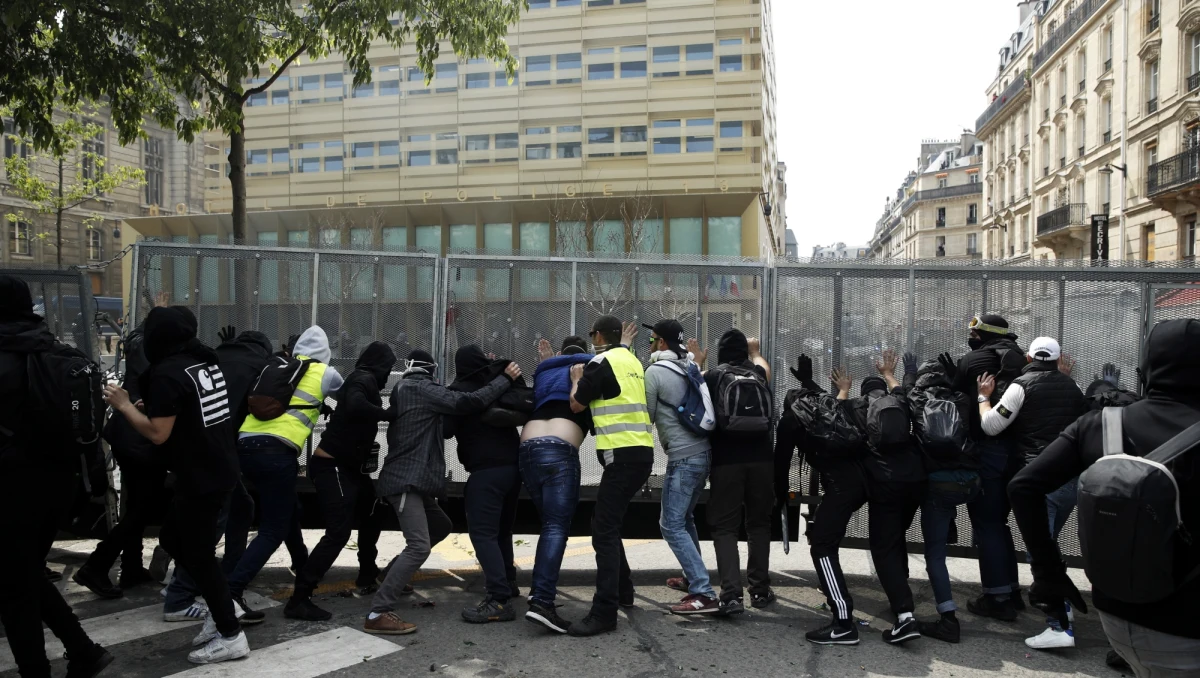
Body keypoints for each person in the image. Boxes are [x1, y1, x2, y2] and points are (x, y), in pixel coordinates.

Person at [1010, 318, 1200, 676]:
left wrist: (1048, 571)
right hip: (1187, 623)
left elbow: (1023, 487)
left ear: (1146, 368)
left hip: (1115, 611)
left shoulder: (1101, 424)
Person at [102, 305, 249, 664]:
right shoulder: (203, 362)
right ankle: (222, 606)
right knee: (172, 539)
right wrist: (146, 405)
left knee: (198, 556)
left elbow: (157, 432)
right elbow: (187, 412)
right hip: (212, 468)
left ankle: (230, 633)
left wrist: (124, 405)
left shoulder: (168, 371)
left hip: (203, 476)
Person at [0, 276, 114, 677]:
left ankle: (37, 670)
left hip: (9, 491)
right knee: (23, 572)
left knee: (13, 588)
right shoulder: (58, 351)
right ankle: (84, 650)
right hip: (58, 488)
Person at [366, 349, 519, 635]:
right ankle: (378, 611)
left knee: (441, 525)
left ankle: (389, 577)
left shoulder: (409, 389)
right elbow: (468, 401)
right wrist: (503, 379)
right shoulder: (417, 387)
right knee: (419, 546)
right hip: (405, 480)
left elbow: (449, 424)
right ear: (431, 371)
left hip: (417, 480)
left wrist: (485, 372)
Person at [224, 326, 342, 619]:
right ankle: (231, 592)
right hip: (277, 453)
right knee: (272, 530)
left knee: (288, 512)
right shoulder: (326, 373)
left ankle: (304, 573)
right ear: (325, 352)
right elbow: (352, 398)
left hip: (245, 446)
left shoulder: (273, 367)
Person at [160, 328, 276, 623]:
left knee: (240, 509)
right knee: (212, 524)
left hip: (193, 448)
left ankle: (218, 578)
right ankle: (181, 595)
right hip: (217, 454)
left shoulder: (215, 356)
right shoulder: (260, 367)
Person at [977, 336, 1085, 649]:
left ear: (1028, 357)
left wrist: (984, 398)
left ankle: (1059, 625)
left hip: (1039, 479)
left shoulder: (1021, 385)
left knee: (1040, 551)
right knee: (1047, 546)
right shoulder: (1071, 386)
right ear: (1059, 358)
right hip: (1070, 480)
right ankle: (1062, 607)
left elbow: (992, 426)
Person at [285, 341, 396, 621]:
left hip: (351, 469)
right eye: (389, 367)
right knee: (338, 532)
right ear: (380, 365)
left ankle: (367, 573)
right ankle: (300, 597)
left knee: (374, 510)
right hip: (331, 465)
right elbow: (357, 403)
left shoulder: (364, 378)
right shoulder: (362, 378)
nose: (388, 374)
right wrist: (387, 414)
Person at [566, 316, 654, 636]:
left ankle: (604, 612)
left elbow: (577, 404)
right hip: (641, 453)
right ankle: (624, 591)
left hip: (622, 456)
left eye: (593, 334)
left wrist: (577, 378)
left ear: (599, 336)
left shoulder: (598, 361)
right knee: (609, 523)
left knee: (602, 529)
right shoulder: (631, 361)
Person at [940, 313, 1026, 619]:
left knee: (986, 523)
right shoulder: (1021, 357)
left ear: (983, 334)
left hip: (988, 451)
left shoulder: (974, 359)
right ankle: (1012, 590)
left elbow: (954, 393)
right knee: (999, 523)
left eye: (974, 333)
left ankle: (998, 599)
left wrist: (954, 375)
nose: (971, 337)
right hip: (1017, 454)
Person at [73, 322, 163, 599]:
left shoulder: (138, 346)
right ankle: (97, 565)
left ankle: (131, 566)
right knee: (141, 510)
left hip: (127, 437)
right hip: (141, 439)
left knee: (136, 506)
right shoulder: (155, 360)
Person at [644, 319, 719, 615]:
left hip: (684, 458)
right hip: (703, 454)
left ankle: (703, 591)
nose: (649, 344)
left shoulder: (655, 372)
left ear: (661, 343)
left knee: (670, 524)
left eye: (651, 339)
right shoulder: (687, 366)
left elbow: (647, 415)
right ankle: (692, 579)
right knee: (685, 520)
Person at [447, 345, 526, 624]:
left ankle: (498, 599)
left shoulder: (460, 391)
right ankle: (509, 582)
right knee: (503, 531)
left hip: (486, 472)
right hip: (514, 469)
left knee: (483, 535)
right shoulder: (497, 384)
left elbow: (445, 431)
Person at [521, 336, 594, 634]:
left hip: (527, 448)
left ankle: (540, 594)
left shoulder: (545, 370)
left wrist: (548, 359)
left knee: (549, 525)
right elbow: (577, 402)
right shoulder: (589, 368)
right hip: (559, 450)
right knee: (555, 527)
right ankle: (541, 601)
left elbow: (548, 380)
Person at [904, 356, 979, 643]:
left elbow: (909, 389)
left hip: (939, 485)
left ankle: (948, 620)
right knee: (983, 523)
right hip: (972, 482)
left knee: (935, 556)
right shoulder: (961, 399)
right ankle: (1003, 592)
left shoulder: (918, 399)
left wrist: (909, 371)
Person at [701, 329, 775, 616]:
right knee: (759, 524)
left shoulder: (714, 376)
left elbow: (693, 386)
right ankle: (759, 590)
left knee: (725, 527)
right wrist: (756, 353)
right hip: (762, 460)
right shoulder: (757, 373)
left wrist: (699, 361)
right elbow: (765, 368)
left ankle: (731, 595)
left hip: (726, 461)